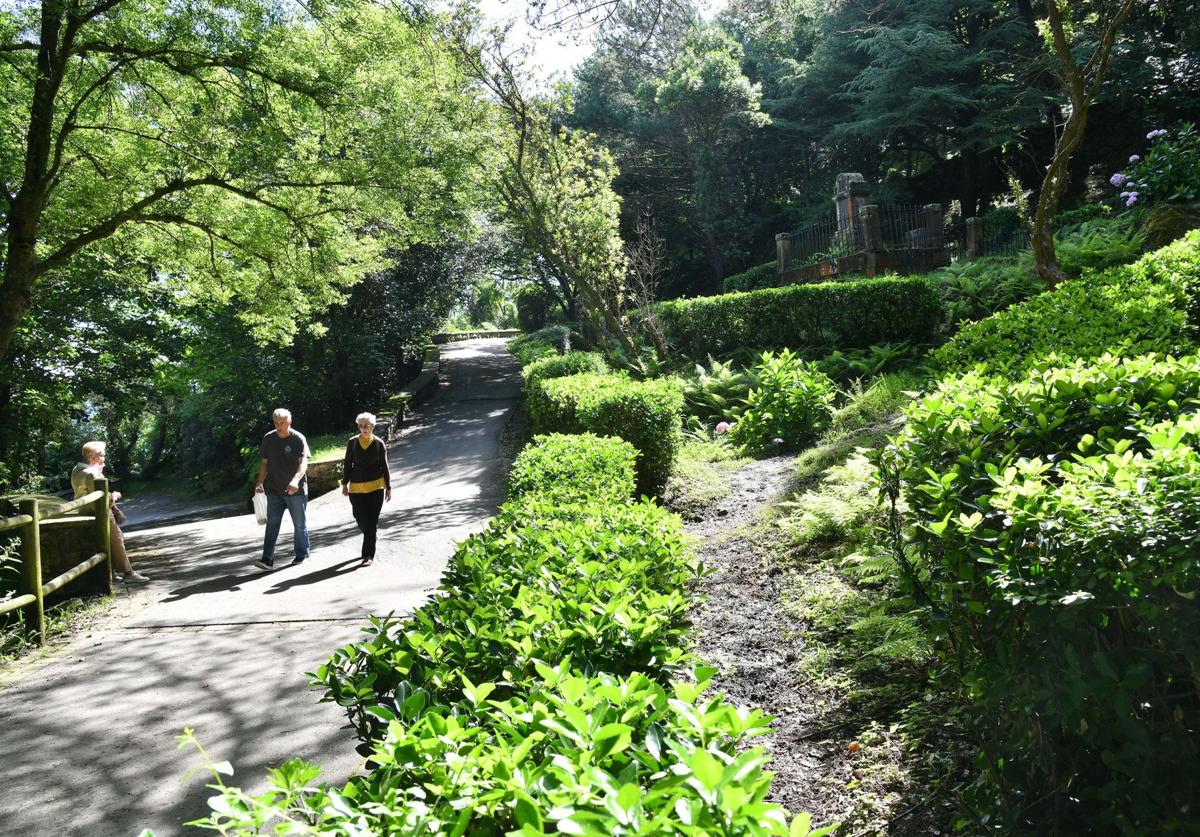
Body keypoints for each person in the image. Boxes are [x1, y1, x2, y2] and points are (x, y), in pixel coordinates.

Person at [71, 441, 150, 584]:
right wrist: (114, 496)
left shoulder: (77, 469)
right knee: (116, 540)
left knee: (104, 543)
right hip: (100, 513)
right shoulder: (92, 473)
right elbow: (102, 499)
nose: (104, 459)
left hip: (84, 511)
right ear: (91, 456)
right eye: (101, 455)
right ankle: (128, 573)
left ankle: (112, 573)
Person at [254, 408, 310, 570]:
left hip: (295, 491)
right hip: (273, 489)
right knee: (272, 524)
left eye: (283, 423)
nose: (279, 426)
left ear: (289, 422)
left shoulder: (298, 438)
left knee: (299, 524)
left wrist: (295, 481)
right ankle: (267, 559)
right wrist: (260, 482)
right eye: (276, 423)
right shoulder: (268, 439)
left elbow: (303, 463)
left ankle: (301, 554)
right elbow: (264, 463)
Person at [341, 412, 391, 566]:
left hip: (376, 487)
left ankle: (368, 555)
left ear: (372, 427)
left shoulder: (378, 443)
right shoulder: (352, 442)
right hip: (356, 488)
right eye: (361, 426)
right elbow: (348, 464)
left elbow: (384, 465)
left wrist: (388, 487)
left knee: (371, 522)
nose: (363, 428)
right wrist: (345, 483)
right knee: (360, 517)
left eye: (366, 426)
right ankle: (371, 535)